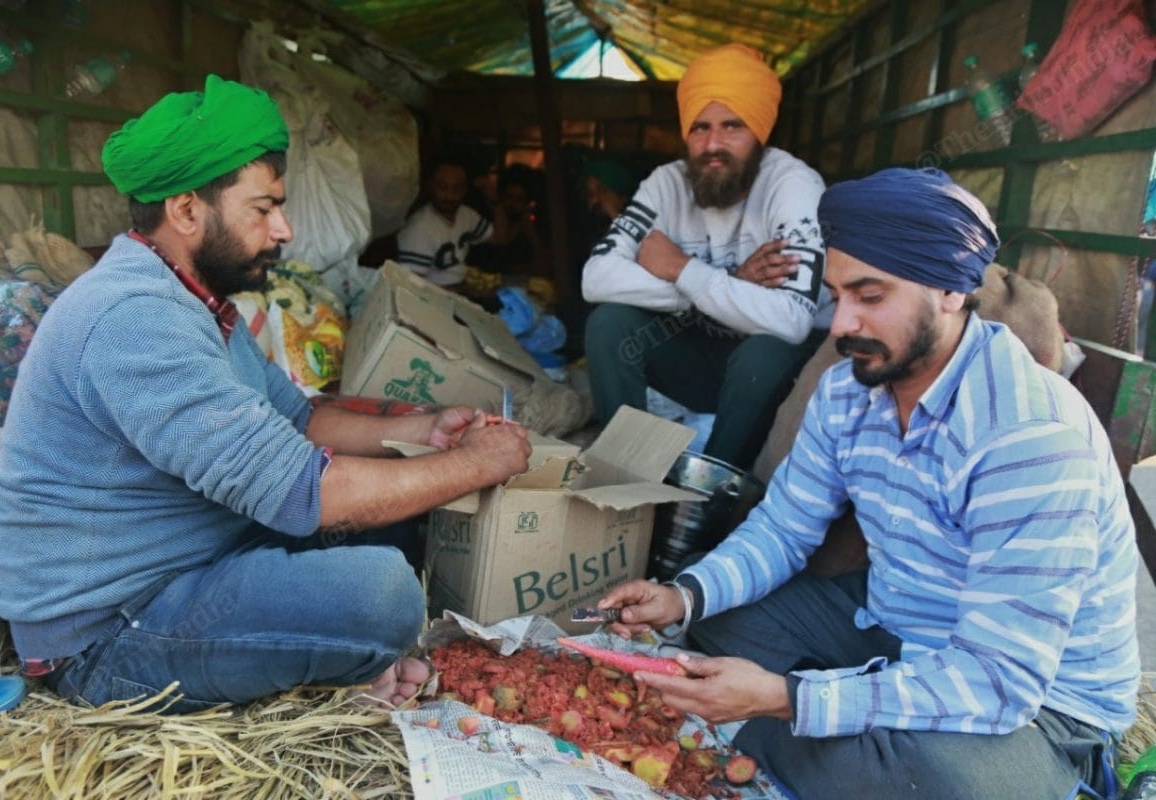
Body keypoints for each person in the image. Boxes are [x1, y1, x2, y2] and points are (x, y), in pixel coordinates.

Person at [0, 76, 532, 714]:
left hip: (198, 566)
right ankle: (336, 660)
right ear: (188, 210)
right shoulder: (133, 317)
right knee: (382, 594)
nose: (285, 229)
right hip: (111, 636)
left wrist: (427, 433)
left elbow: (301, 419)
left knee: (407, 505)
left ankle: (329, 659)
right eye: (263, 208)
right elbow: (309, 491)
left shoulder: (192, 303)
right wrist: (476, 463)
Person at [599, 168, 1139, 799]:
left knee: (943, 783)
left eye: (870, 296)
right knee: (719, 621)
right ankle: (838, 728)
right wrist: (681, 597)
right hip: (891, 623)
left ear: (949, 290)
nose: (840, 324)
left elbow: (998, 680)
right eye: (837, 294)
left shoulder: (1027, 434)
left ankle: (816, 732)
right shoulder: (849, 392)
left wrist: (785, 699)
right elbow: (783, 529)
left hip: (1037, 701)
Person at [582, 43, 831, 468]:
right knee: (611, 323)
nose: (713, 144)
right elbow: (596, 278)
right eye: (699, 128)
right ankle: (626, 474)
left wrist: (681, 267)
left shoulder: (793, 185)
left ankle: (712, 493)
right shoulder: (666, 184)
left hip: (775, 376)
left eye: (732, 126)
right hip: (704, 354)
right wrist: (723, 281)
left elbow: (790, 320)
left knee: (763, 351)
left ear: (760, 132)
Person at [396, 154, 494, 287]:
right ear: (431, 186)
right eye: (443, 187)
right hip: (435, 301)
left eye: (457, 188)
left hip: (462, 290)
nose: (450, 195)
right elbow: (412, 287)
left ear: (465, 189)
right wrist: (461, 292)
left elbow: (497, 238)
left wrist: (495, 199)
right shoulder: (418, 228)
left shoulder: (465, 214)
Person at [467, 163, 549, 277]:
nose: (512, 204)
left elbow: (541, 270)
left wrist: (532, 235)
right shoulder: (483, 221)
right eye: (508, 196)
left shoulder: (527, 230)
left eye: (519, 199)